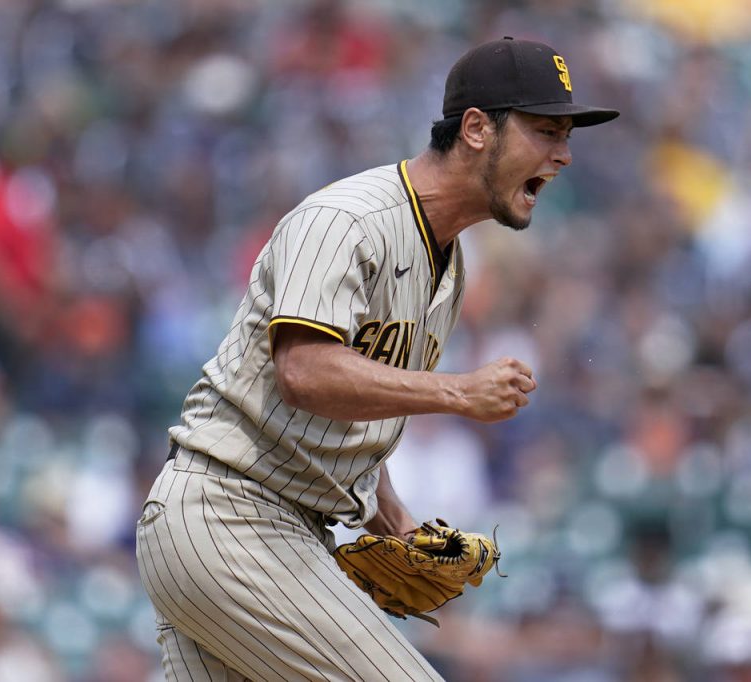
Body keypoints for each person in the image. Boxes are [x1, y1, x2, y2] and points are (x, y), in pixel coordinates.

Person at [135, 36, 618, 681]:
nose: (563, 154)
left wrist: (395, 522)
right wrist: (456, 392)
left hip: (278, 526)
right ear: (477, 129)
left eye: (566, 136)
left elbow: (352, 410)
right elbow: (304, 370)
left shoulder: (449, 265)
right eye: (546, 131)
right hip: (229, 511)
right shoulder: (348, 220)